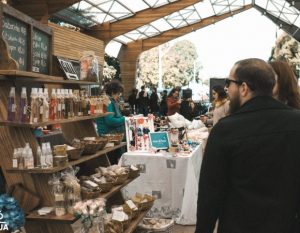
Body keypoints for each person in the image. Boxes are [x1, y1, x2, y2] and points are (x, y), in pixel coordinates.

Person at [196, 58, 300, 233]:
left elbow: (210, 194)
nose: (226, 88)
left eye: (229, 82)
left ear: (244, 88)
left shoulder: (225, 130)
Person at [95, 80, 125, 164]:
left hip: (109, 136)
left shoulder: (108, 100)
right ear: (112, 92)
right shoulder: (108, 101)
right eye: (118, 94)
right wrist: (124, 119)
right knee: (112, 162)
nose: (118, 96)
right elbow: (110, 121)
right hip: (108, 136)